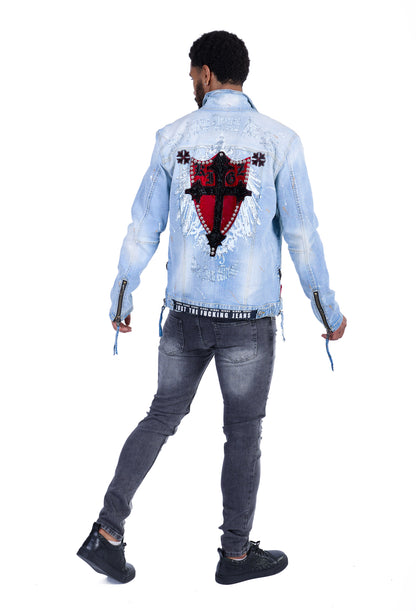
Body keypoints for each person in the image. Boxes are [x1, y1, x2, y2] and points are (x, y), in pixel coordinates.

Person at [77, 30, 347, 586]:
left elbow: (142, 228)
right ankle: (235, 556)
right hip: (248, 322)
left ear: (205, 72)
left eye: (191, 75)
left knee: (161, 416)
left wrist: (123, 295)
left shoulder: (172, 137)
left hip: (185, 315)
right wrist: (327, 311)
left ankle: (107, 531)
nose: (190, 85)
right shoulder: (281, 142)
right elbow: (303, 236)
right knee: (243, 432)